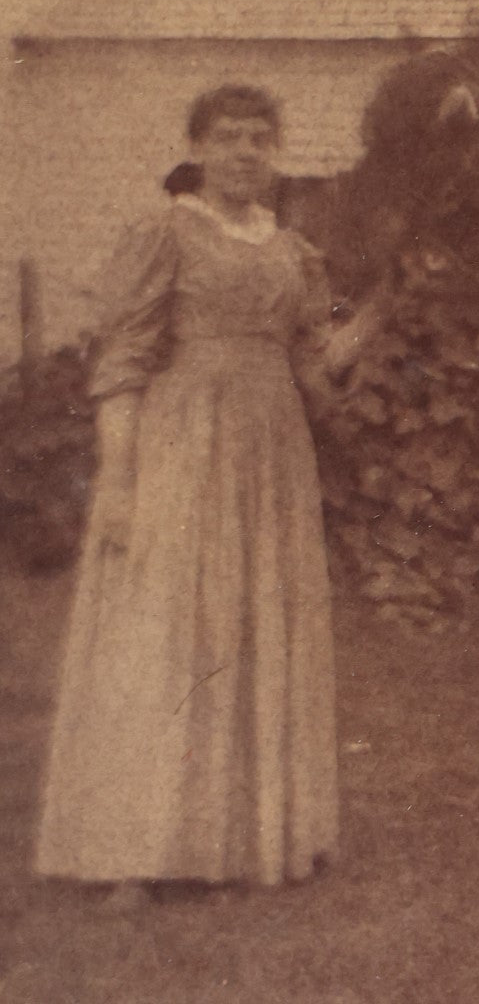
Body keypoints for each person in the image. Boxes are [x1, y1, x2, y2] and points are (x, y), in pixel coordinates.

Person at [35, 85, 379, 906]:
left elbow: (314, 362)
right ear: (197, 148)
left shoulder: (294, 252)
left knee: (255, 622)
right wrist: (117, 483)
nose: (245, 153)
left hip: (272, 455)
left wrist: (385, 304)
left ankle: (248, 834)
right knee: (167, 630)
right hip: (182, 445)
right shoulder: (164, 231)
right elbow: (122, 362)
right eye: (227, 138)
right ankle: (136, 849)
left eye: (261, 138)